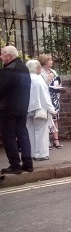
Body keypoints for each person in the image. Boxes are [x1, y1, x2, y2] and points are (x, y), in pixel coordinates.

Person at [0, 46, 33, 174]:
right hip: (22, 106)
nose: (1, 57)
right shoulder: (24, 68)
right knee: (22, 133)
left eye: (2, 54)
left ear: (9, 56)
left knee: (9, 136)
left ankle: (15, 165)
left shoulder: (9, 70)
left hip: (8, 108)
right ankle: (28, 164)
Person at [26, 60, 57, 161]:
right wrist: (52, 110)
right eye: (39, 66)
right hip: (39, 109)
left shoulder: (25, 78)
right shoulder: (38, 79)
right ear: (36, 68)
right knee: (41, 132)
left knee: (30, 131)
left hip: (27, 109)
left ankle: (32, 153)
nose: (40, 68)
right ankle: (41, 154)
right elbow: (45, 97)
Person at [39, 54, 63, 149]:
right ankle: (47, 141)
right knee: (46, 119)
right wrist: (48, 80)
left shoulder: (53, 71)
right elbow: (41, 86)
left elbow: (57, 81)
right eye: (50, 60)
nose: (52, 61)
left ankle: (56, 140)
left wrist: (59, 84)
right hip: (46, 99)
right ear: (45, 61)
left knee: (55, 119)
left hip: (54, 98)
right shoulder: (40, 72)